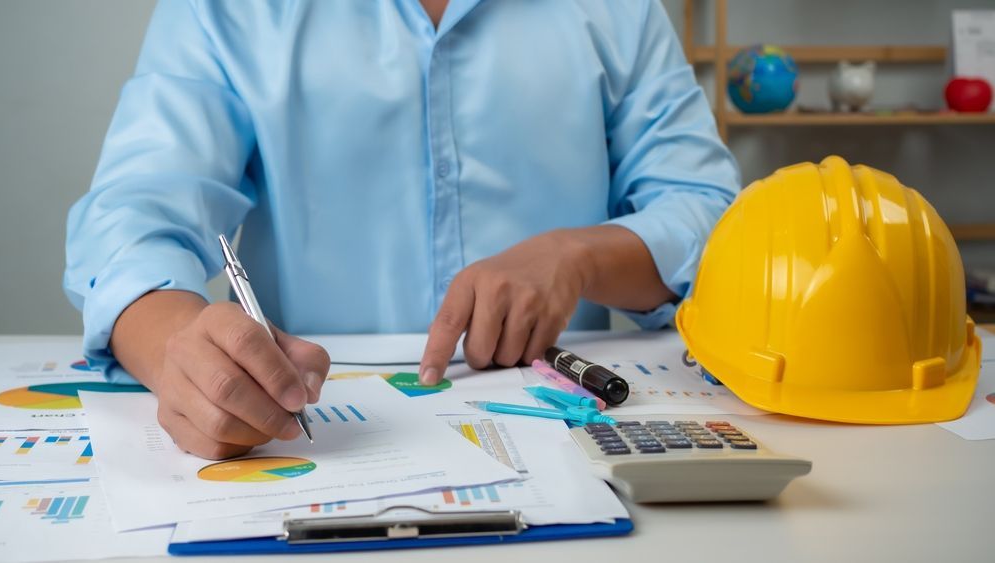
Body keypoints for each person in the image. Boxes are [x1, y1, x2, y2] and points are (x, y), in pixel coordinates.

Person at [64, 0, 739, 460]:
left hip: (568, 435)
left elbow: (712, 215)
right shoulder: (225, 10)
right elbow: (131, 214)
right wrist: (178, 343)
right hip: (313, 440)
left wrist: (579, 255)